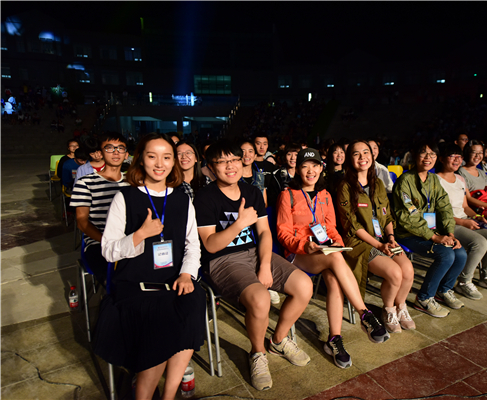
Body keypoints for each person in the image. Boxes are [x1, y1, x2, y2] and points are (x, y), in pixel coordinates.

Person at [194, 140, 313, 391]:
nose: (230, 166)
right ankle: (257, 352)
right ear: (211, 167)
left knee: (304, 285)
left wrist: (265, 265)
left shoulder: (252, 192)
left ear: (242, 162)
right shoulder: (204, 197)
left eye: (234, 160)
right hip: (223, 260)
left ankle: (278, 340)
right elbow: (211, 245)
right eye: (222, 162)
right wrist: (239, 223)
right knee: (261, 299)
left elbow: (264, 233)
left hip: (256, 254)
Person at [96, 133, 205, 400]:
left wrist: (187, 274)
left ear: (174, 162)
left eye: (166, 157)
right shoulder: (125, 197)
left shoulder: (182, 199)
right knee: (158, 320)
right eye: (152, 156)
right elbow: (108, 251)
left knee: (193, 302)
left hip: (174, 281)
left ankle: (168, 395)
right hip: (137, 285)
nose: (159, 164)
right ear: (140, 160)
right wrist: (140, 235)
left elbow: (193, 245)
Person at [277, 148, 390, 368]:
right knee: (337, 259)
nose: (310, 171)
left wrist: (337, 242)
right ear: (298, 170)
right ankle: (364, 313)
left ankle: (334, 339)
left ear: (321, 168)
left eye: (315, 166)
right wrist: (304, 245)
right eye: (305, 166)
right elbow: (283, 233)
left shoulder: (325, 195)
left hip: (323, 252)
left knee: (334, 280)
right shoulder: (287, 195)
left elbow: (330, 228)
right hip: (298, 253)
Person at [337, 140, 416, 332]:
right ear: (349, 159)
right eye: (356, 153)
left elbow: (387, 215)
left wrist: (390, 237)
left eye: (366, 152)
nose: (362, 157)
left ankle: (400, 306)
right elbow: (352, 225)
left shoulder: (378, 183)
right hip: (359, 242)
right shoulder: (345, 186)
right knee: (395, 273)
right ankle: (388, 310)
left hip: (382, 239)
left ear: (372, 157)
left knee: (408, 270)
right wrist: (379, 245)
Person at [392, 140, 467, 318]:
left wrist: (449, 233)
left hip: (431, 231)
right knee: (446, 255)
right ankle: (424, 298)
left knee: (461, 253)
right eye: (424, 153)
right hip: (408, 233)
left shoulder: (433, 179)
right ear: (415, 155)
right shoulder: (405, 181)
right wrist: (434, 237)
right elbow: (408, 216)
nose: (428, 157)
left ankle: (444, 290)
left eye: (432, 154)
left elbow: (444, 207)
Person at [436, 144, 487, 299]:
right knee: (479, 243)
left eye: (459, 156)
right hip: (448, 223)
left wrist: (476, 217)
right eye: (452, 156)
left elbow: (465, 206)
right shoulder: (435, 180)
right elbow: (436, 213)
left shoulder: (460, 179)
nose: (457, 160)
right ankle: (464, 281)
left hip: (465, 219)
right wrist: (462, 222)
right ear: (441, 159)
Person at [71, 132, 130, 283]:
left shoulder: (132, 182)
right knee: (115, 279)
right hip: (99, 242)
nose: (116, 152)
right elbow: (82, 221)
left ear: (126, 154)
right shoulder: (85, 183)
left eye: (120, 148)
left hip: (130, 240)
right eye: (110, 148)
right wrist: (107, 241)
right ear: (101, 153)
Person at [267, 143, 300, 208]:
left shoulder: (304, 175)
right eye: (289, 154)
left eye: (296, 155)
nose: (293, 158)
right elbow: (272, 200)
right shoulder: (276, 176)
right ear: (285, 156)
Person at [239, 139, 268, 206]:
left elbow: (264, 203)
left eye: (250, 151)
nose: (246, 154)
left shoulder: (260, 176)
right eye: (243, 151)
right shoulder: (234, 178)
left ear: (255, 156)